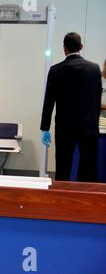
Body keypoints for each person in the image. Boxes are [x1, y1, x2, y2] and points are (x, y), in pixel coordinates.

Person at [40, 32, 102, 182]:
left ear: (64, 48)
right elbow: (97, 99)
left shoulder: (55, 70)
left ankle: (62, 200)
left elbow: (49, 101)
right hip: (88, 127)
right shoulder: (94, 69)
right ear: (81, 47)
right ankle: (85, 201)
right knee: (88, 168)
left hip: (64, 128)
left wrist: (45, 128)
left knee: (63, 168)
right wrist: (95, 122)